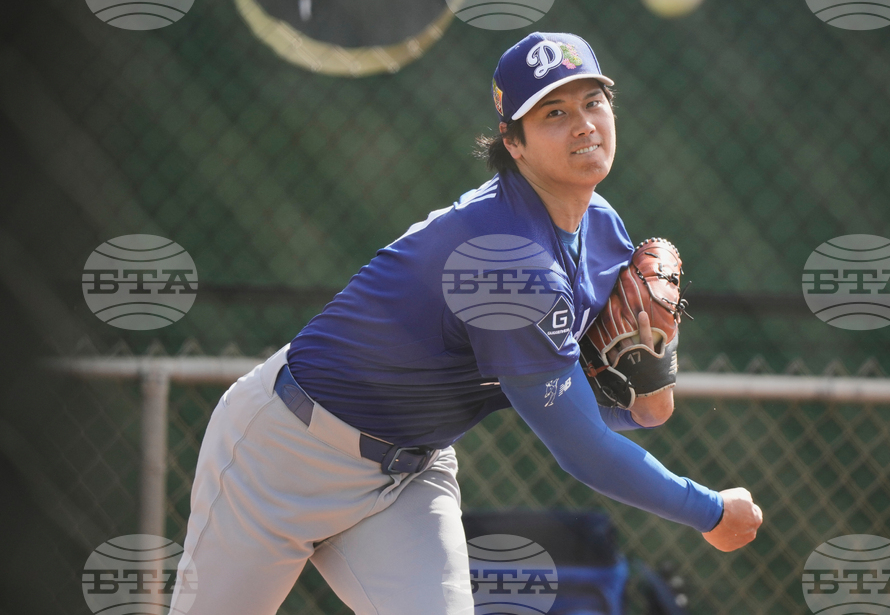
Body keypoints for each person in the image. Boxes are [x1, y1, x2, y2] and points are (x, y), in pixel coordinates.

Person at [170, 31, 762, 615]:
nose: (583, 124)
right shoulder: (508, 263)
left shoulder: (600, 228)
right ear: (514, 143)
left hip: (407, 475)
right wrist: (709, 511)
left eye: (593, 102)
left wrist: (644, 405)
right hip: (281, 456)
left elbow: (577, 397)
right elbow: (581, 446)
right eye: (554, 112)